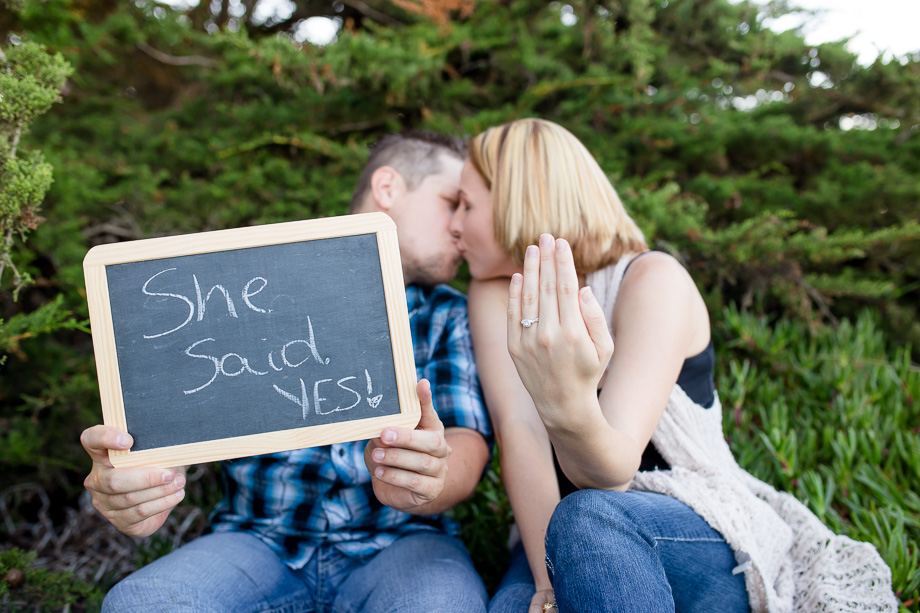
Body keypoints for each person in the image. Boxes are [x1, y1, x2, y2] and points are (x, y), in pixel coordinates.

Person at [450, 118, 897, 613]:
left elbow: (612, 474)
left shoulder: (652, 280)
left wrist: (564, 401)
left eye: (466, 205)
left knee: (592, 521)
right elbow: (522, 434)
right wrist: (547, 587)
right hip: (554, 534)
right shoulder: (494, 291)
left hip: (687, 526)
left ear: (519, 199)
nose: (454, 224)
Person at [81, 131, 494, 612]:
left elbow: (468, 438)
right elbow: (175, 421)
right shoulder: (249, 283)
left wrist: (430, 477)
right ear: (388, 187)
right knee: (141, 605)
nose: (462, 226)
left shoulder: (448, 313)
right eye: (452, 202)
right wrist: (135, 482)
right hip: (257, 540)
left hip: (403, 544)